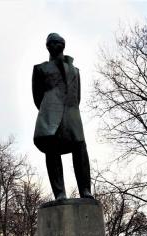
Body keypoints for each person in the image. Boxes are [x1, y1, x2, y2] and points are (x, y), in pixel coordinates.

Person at [32, 33, 93, 200]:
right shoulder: (40, 69)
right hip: (50, 113)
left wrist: (69, 109)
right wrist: (49, 109)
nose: (54, 44)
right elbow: (37, 97)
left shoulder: (75, 70)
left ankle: (86, 190)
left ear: (63, 45)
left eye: (57, 42)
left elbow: (77, 96)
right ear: (47, 46)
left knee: (80, 147)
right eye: (51, 42)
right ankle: (59, 193)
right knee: (51, 150)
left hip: (72, 112)